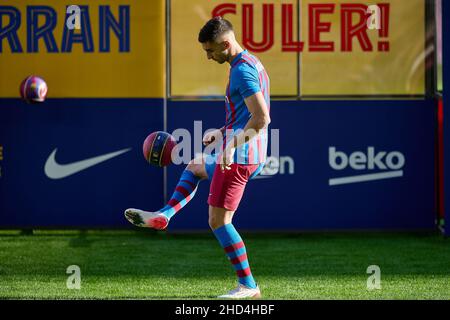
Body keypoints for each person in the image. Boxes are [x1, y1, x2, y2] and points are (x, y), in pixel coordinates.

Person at [124, 16, 271, 299]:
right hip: (246, 150)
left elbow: (262, 118)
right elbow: (246, 114)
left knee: (219, 222)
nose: (208, 57)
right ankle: (164, 214)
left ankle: (248, 286)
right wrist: (223, 132)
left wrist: (230, 146)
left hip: (239, 156)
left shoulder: (242, 72)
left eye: (211, 50)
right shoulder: (252, 62)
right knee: (195, 166)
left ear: (226, 44)